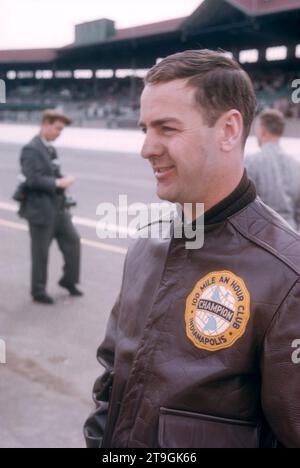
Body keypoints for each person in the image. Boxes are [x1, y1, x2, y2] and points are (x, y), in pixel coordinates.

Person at [84, 50, 300, 448]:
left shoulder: (288, 275)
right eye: (144, 129)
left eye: (166, 128)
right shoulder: (145, 243)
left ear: (229, 130)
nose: (146, 148)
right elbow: (110, 381)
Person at [19, 110, 83, 305]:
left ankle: (68, 280)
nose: (59, 133)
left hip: (59, 209)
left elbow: (53, 172)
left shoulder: (50, 149)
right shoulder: (31, 149)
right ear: (46, 124)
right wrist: (58, 184)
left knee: (73, 243)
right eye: (57, 128)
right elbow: (32, 180)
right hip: (40, 211)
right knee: (41, 254)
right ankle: (38, 291)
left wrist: (62, 180)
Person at [246, 109, 300, 230]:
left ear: (262, 131)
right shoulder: (296, 166)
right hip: (291, 236)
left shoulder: (250, 162)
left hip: (261, 236)